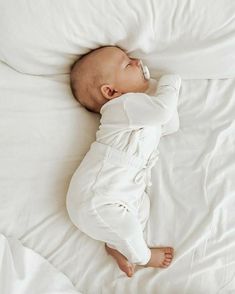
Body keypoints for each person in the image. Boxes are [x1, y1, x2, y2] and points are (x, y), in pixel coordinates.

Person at [66, 46, 181, 277]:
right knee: (129, 229)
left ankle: (115, 245)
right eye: (128, 63)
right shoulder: (122, 107)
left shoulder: (139, 106)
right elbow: (164, 112)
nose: (138, 61)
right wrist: (170, 82)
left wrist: (155, 89)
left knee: (141, 211)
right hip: (95, 198)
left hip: (121, 194)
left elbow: (169, 124)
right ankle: (144, 257)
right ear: (110, 92)